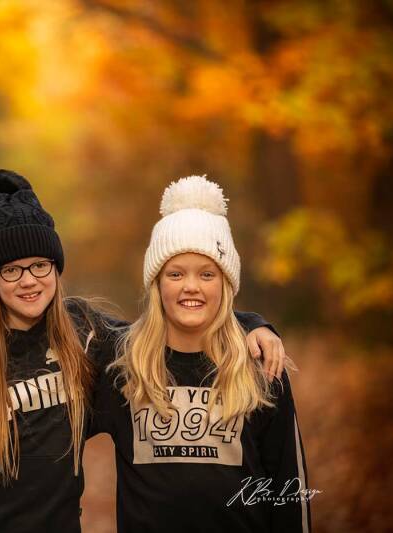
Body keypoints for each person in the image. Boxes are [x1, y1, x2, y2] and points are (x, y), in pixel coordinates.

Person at [0, 170, 285, 533]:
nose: (28, 280)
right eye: (11, 270)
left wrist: (250, 324)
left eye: (40, 265)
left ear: (56, 268)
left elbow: (168, 324)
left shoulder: (86, 333)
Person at [93, 175, 311, 532]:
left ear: (226, 284)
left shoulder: (260, 366)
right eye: (175, 274)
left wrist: (252, 323)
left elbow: (288, 489)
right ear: (156, 284)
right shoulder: (123, 366)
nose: (191, 286)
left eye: (207, 274)